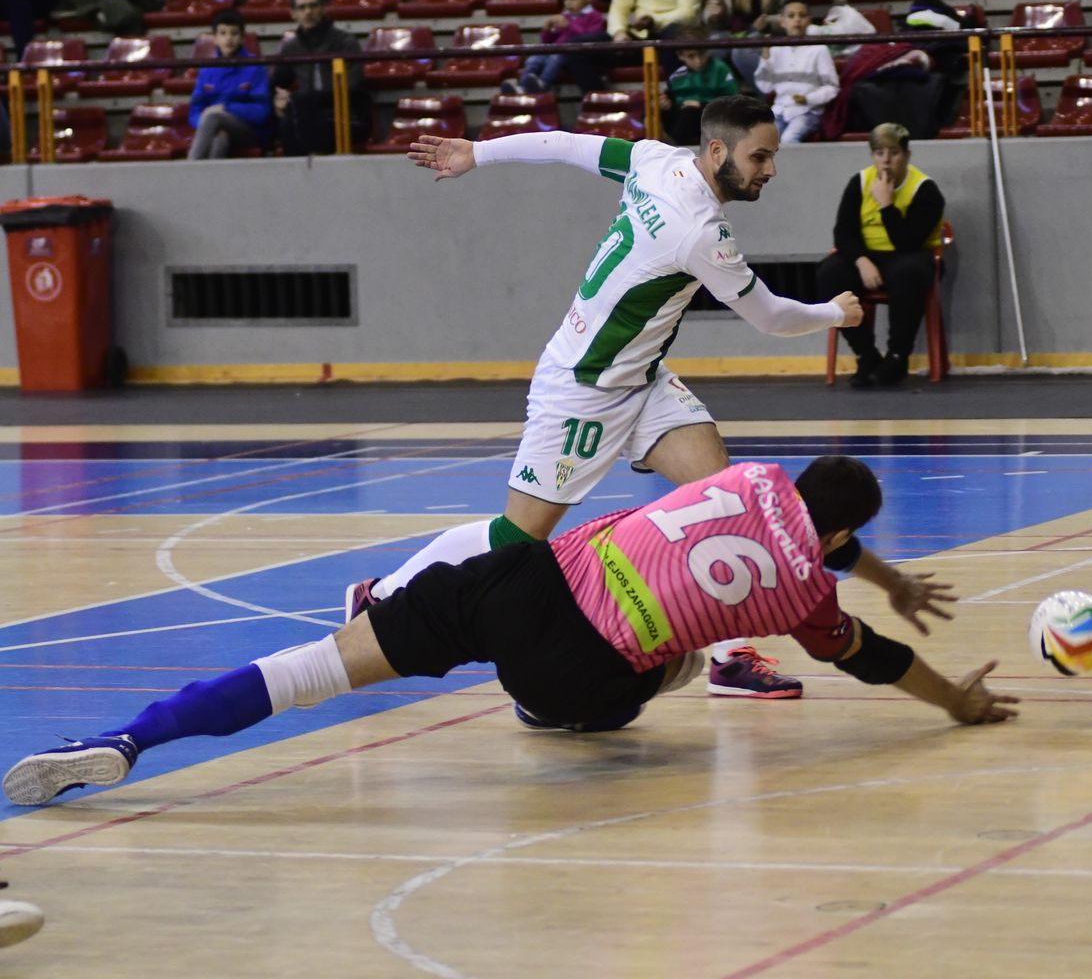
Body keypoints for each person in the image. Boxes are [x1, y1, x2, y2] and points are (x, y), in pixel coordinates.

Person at [3, 457, 1019, 808]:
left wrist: (867, 564)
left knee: (310, 670)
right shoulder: (809, 589)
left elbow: (805, 531)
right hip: (577, 665)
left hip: (518, 578)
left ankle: (131, 738)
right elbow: (870, 652)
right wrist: (955, 697)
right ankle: (544, 702)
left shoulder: (751, 476)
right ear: (843, 534)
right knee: (680, 659)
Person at [362, 97, 949, 700]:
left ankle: (730, 658)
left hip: (641, 377)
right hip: (584, 389)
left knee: (727, 500)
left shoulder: (654, 159)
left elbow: (565, 144)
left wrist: (478, 152)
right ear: (717, 151)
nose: (770, 169)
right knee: (517, 540)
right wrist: (836, 311)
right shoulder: (699, 230)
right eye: (760, 156)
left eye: (772, 155)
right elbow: (770, 317)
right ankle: (380, 596)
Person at [816, 122, 946, 388]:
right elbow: (843, 232)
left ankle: (898, 357)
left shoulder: (925, 189)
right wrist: (862, 260)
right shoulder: (860, 182)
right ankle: (867, 355)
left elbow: (908, 242)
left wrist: (887, 204)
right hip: (868, 257)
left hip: (911, 255)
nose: (885, 161)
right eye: (879, 153)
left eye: (894, 153)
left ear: (907, 156)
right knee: (829, 274)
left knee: (907, 273)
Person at [271, 0, 368, 155]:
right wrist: (277, 99)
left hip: (346, 116)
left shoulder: (345, 42)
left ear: (323, 8)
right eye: (302, 7)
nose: (308, 11)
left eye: (313, 5)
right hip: (306, 116)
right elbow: (277, 82)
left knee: (303, 107)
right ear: (293, 13)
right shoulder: (291, 48)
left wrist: (303, 99)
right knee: (286, 123)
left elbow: (353, 84)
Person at [501, 0, 607, 96]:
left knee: (555, 57)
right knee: (533, 59)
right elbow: (547, 41)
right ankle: (522, 87)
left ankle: (543, 84)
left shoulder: (595, 17)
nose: (568, 3)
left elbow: (592, 39)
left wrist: (569, 26)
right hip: (555, 50)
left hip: (572, 55)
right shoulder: (565, 16)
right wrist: (548, 30)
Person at [187, 8, 272, 159]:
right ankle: (209, 182)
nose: (228, 39)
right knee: (220, 138)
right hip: (215, 127)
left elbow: (261, 112)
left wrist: (226, 108)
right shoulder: (207, 69)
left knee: (214, 117)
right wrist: (206, 124)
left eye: (234, 33)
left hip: (250, 131)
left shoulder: (255, 66)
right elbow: (195, 111)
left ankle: (188, 171)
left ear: (242, 38)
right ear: (215, 38)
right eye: (223, 33)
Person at [754, 0, 838, 144]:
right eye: (791, 16)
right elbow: (765, 86)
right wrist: (765, 59)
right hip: (780, 110)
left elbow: (832, 87)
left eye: (802, 15)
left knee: (788, 139)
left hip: (808, 110)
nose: (797, 20)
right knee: (762, 142)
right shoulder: (775, 49)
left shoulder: (819, 49)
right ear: (782, 21)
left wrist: (808, 98)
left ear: (809, 20)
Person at [662, 31, 739, 146]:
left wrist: (702, 105)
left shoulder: (720, 69)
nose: (698, 61)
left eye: (701, 54)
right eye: (691, 56)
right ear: (681, 56)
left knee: (690, 113)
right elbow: (670, 99)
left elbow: (733, 102)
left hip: (713, 115)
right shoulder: (677, 75)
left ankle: (672, 146)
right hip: (682, 115)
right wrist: (665, 103)